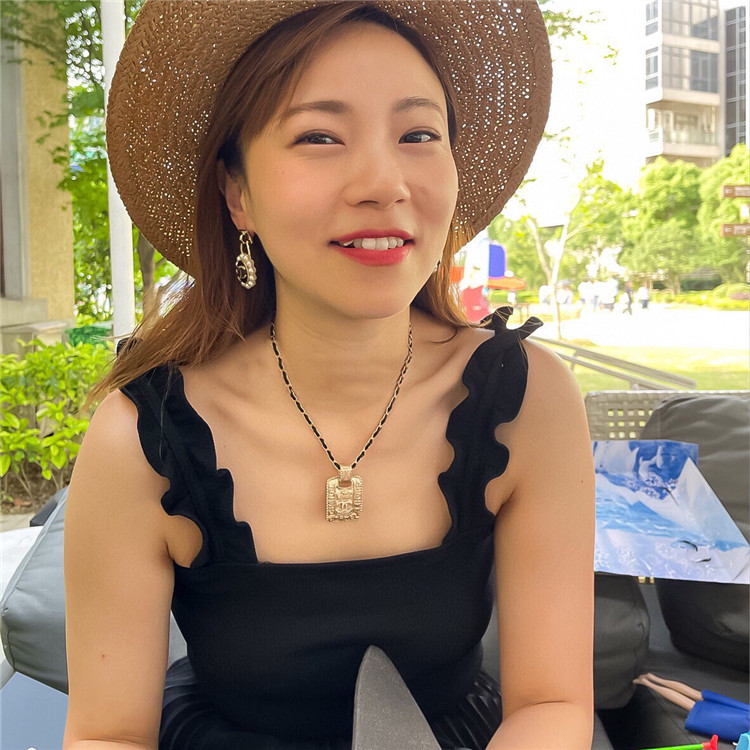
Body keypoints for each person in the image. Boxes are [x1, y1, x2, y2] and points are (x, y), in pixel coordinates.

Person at [62, 3, 595, 750]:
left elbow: (552, 702)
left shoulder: (527, 399)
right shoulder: (141, 441)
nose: (383, 182)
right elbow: (108, 734)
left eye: (418, 135)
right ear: (238, 194)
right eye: (319, 136)